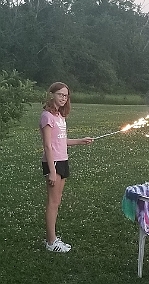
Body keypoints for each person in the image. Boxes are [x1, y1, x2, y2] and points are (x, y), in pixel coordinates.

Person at [39, 82, 93, 253]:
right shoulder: (47, 116)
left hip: (63, 160)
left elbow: (61, 141)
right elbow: (47, 146)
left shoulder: (60, 116)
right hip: (53, 162)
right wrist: (52, 172)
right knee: (52, 203)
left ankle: (52, 238)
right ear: (52, 94)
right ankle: (51, 242)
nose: (63, 98)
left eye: (66, 95)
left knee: (57, 201)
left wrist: (80, 141)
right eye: (60, 94)